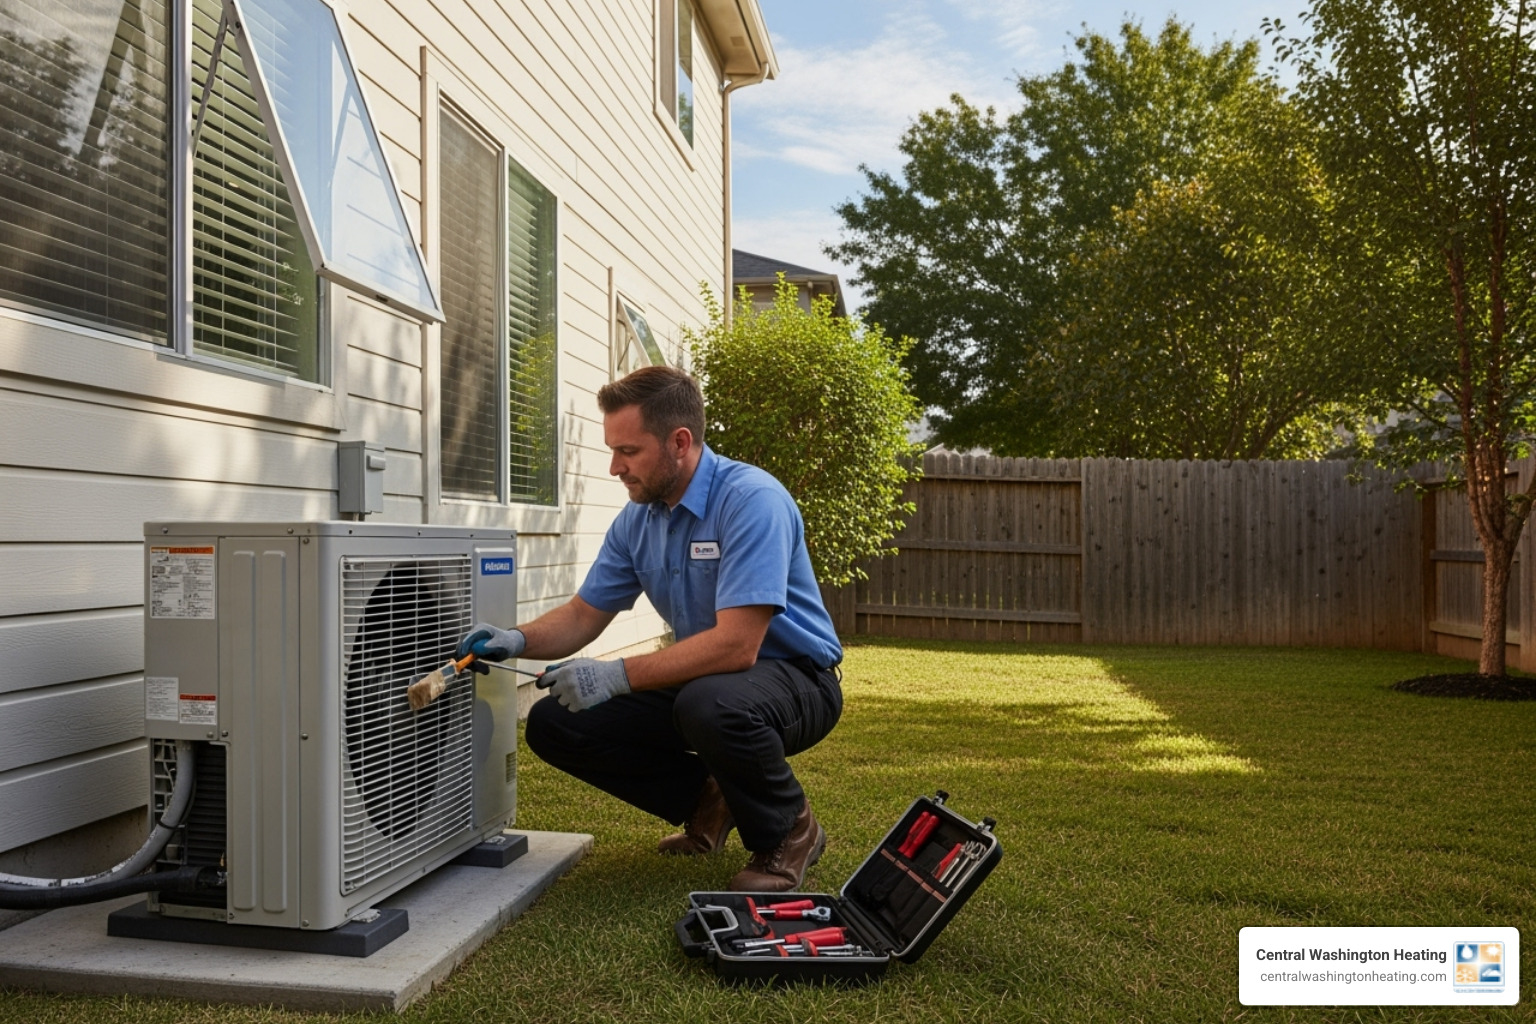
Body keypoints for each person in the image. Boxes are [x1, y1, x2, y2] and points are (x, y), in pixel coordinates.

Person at [457, 365, 844, 892]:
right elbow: (581, 616)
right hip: (710, 679)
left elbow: (737, 645)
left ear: (679, 442)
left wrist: (614, 674)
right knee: (555, 722)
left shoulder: (752, 501)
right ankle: (707, 801)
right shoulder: (638, 519)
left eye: (629, 451)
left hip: (797, 679)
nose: (616, 467)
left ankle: (790, 830)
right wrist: (516, 639)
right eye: (613, 451)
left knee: (709, 703)